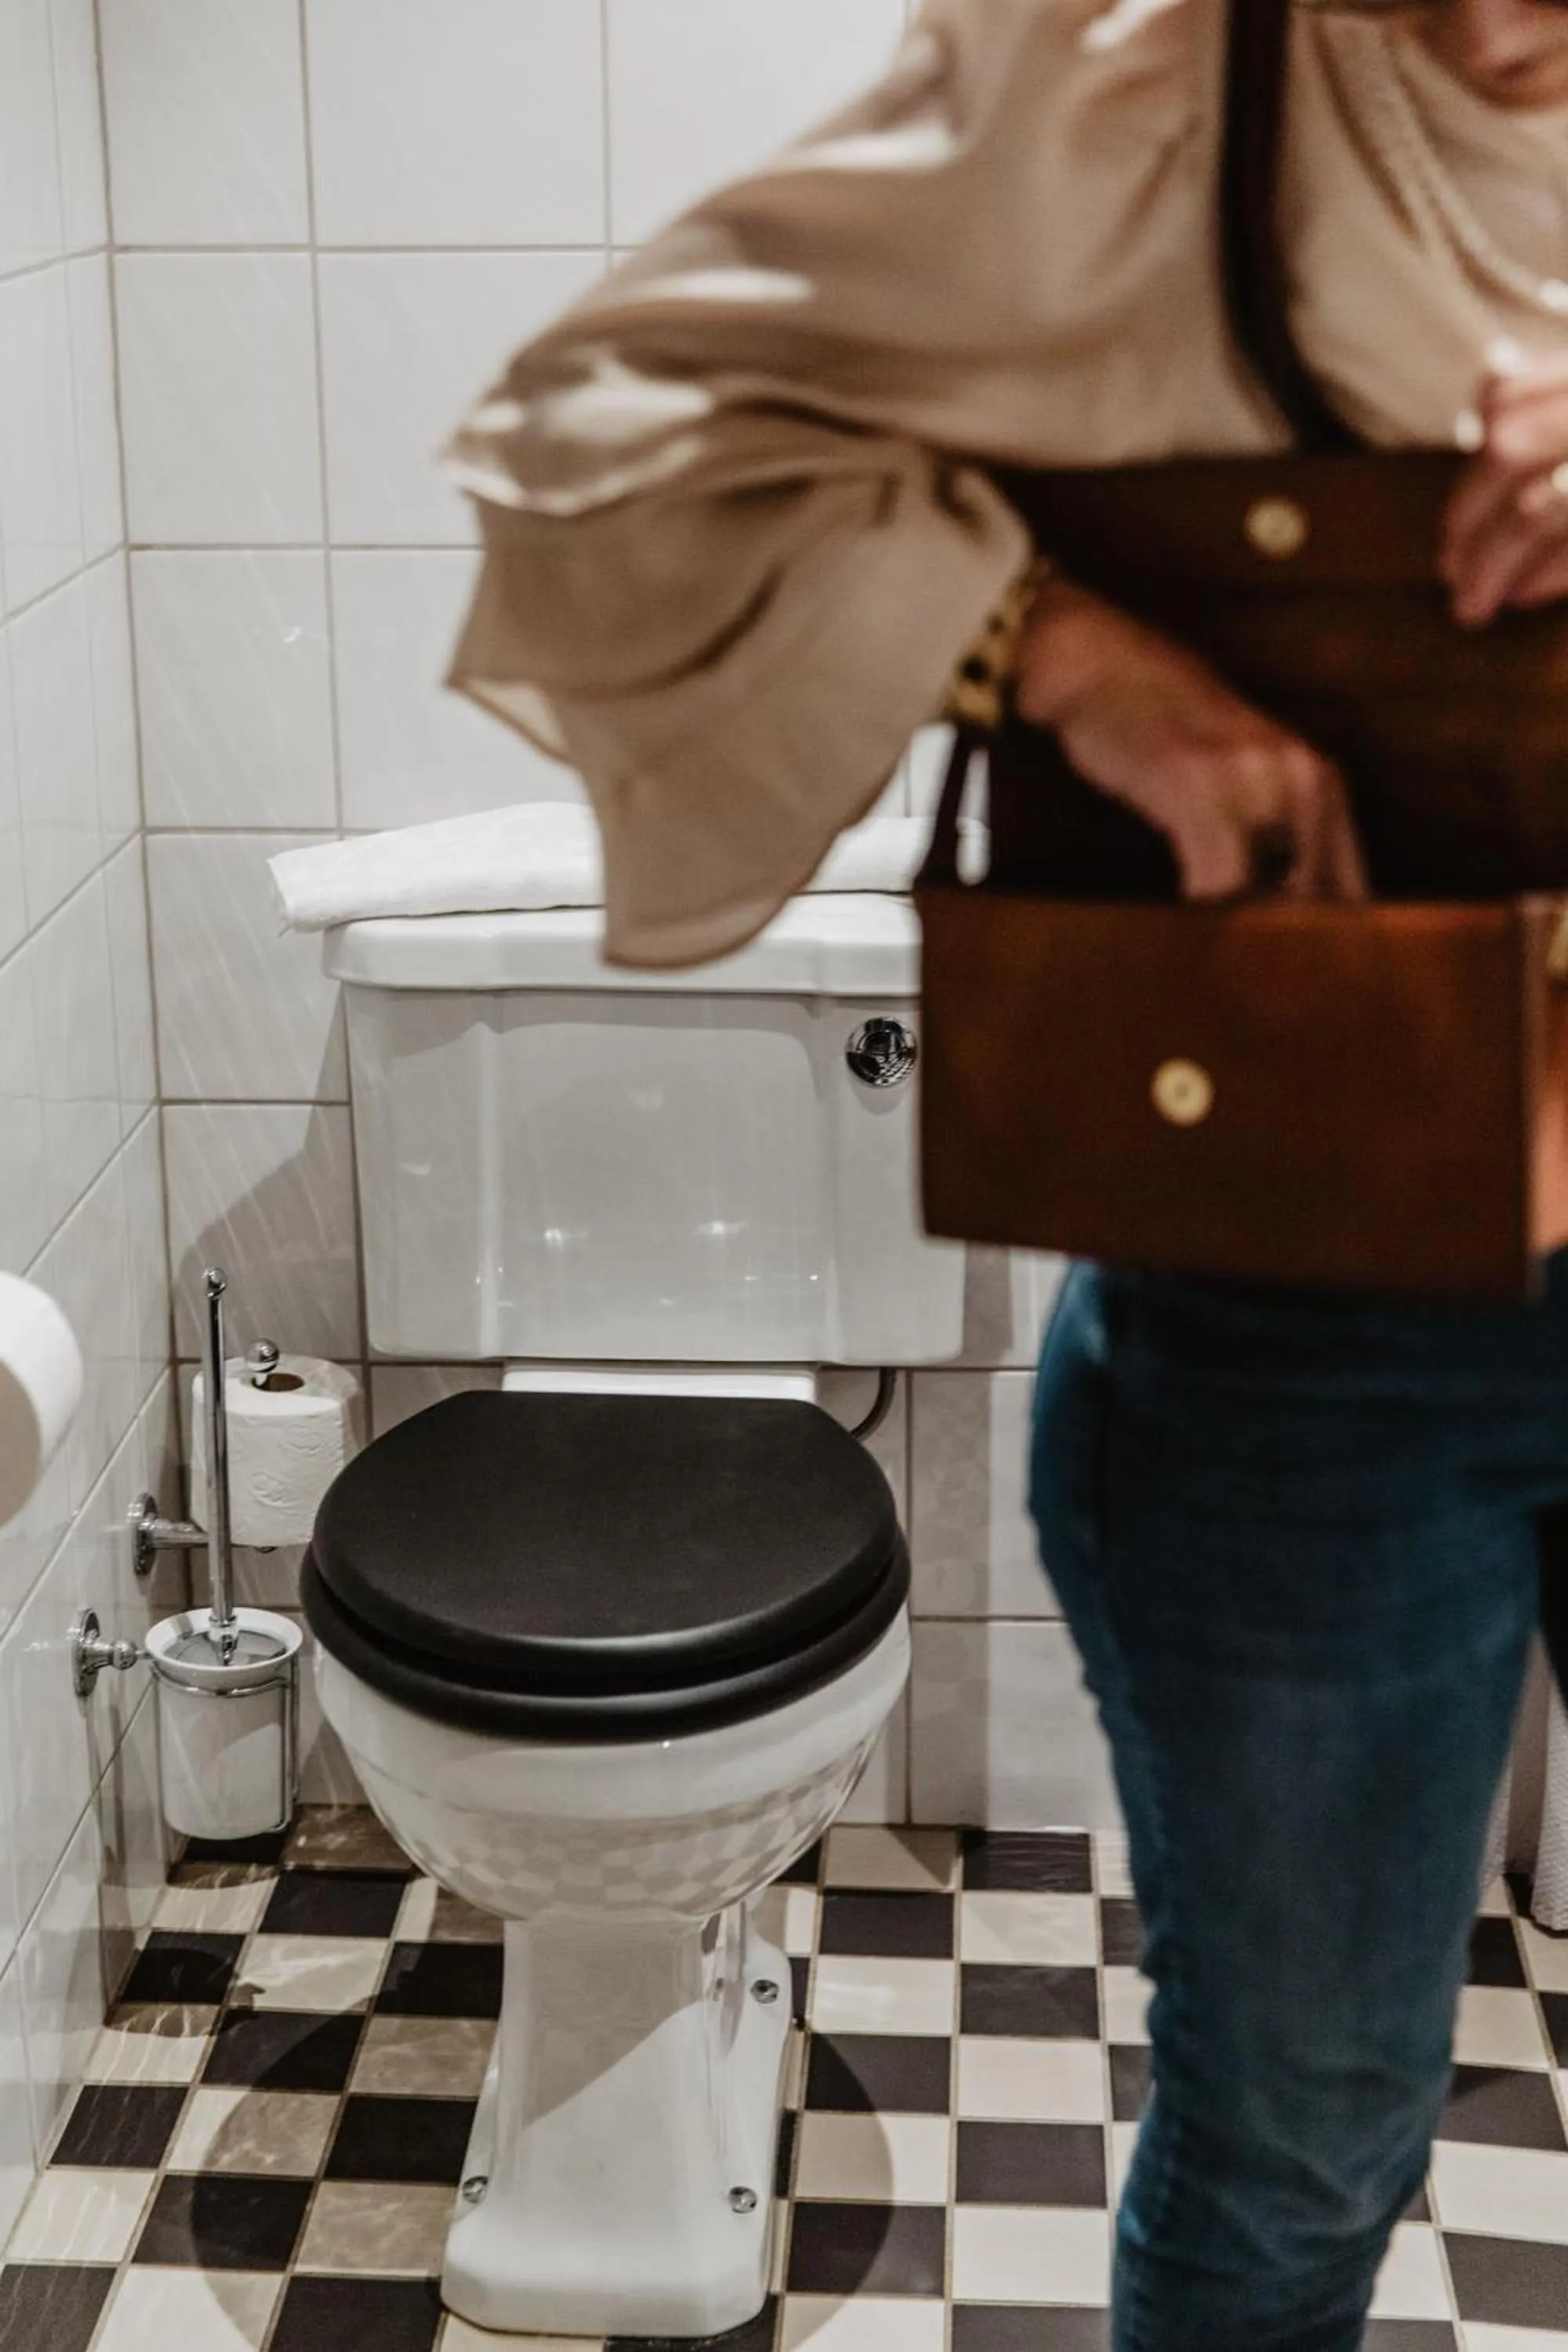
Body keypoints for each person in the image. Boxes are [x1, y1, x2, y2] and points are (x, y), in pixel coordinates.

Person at [442, 5, 1568, 2345]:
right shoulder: (1161, 78)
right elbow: (601, 440)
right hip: (1308, 1307)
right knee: (1310, 2125)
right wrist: (1052, 652)